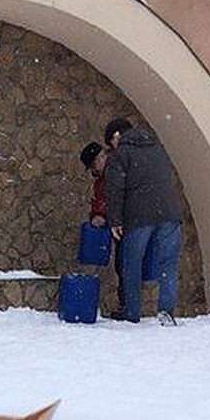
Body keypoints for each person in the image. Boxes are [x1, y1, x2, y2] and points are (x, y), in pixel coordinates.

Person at [103, 117, 183, 325]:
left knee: (132, 264)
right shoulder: (157, 147)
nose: (111, 147)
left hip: (139, 215)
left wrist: (115, 221)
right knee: (169, 264)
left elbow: (114, 190)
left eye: (110, 142)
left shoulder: (120, 155)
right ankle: (166, 311)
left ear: (117, 136)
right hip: (169, 212)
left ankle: (132, 312)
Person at [78, 140, 126, 318]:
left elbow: (113, 198)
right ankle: (125, 305)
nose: (93, 171)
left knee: (125, 265)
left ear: (101, 158)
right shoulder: (103, 178)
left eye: (93, 165)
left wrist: (101, 215)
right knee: (122, 265)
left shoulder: (114, 172)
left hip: (125, 225)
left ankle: (127, 307)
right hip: (119, 226)